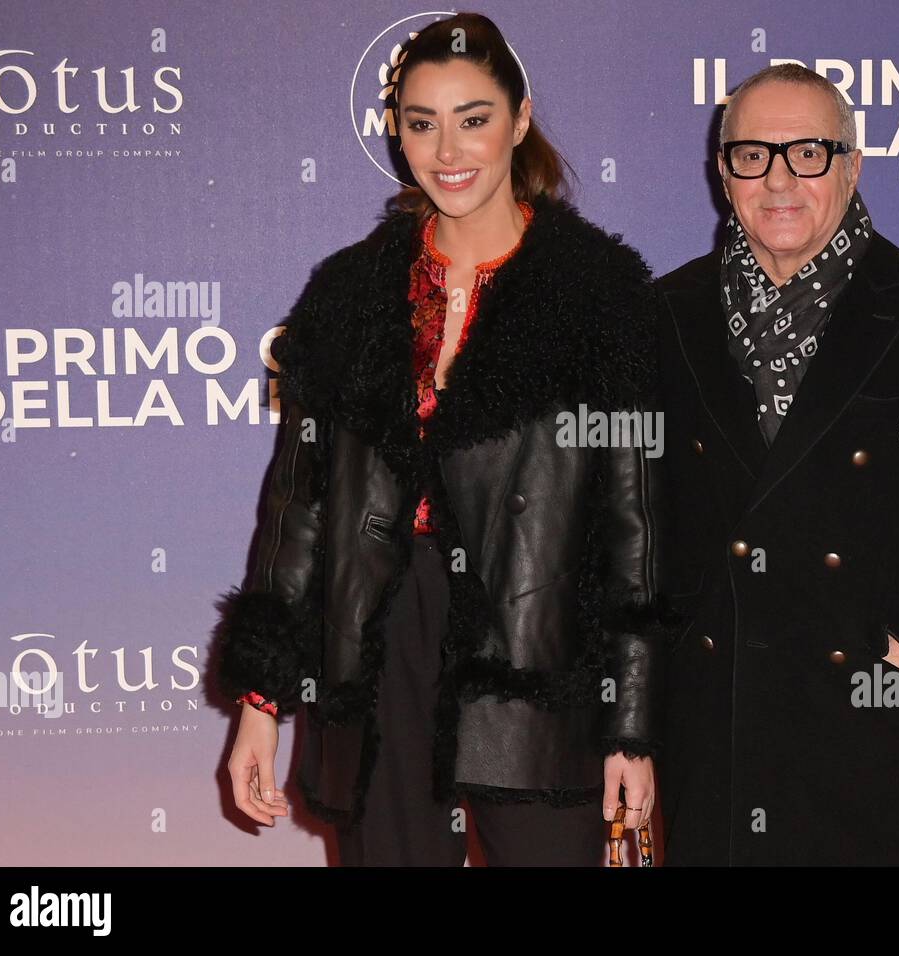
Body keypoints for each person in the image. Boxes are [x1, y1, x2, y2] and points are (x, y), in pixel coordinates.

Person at [212, 12, 671, 866]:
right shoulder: (349, 294)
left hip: (536, 654)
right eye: (422, 123)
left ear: (519, 120)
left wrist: (631, 726)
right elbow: (299, 512)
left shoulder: (597, 295)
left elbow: (633, 531)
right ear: (398, 133)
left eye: (474, 117)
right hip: (379, 648)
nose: (448, 149)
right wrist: (261, 702)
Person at [654, 63, 899, 865]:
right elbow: (630, 532)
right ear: (722, 173)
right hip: (716, 737)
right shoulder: (665, 317)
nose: (780, 181)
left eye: (809, 153)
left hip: (875, 734)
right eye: (753, 156)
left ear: (853, 164)